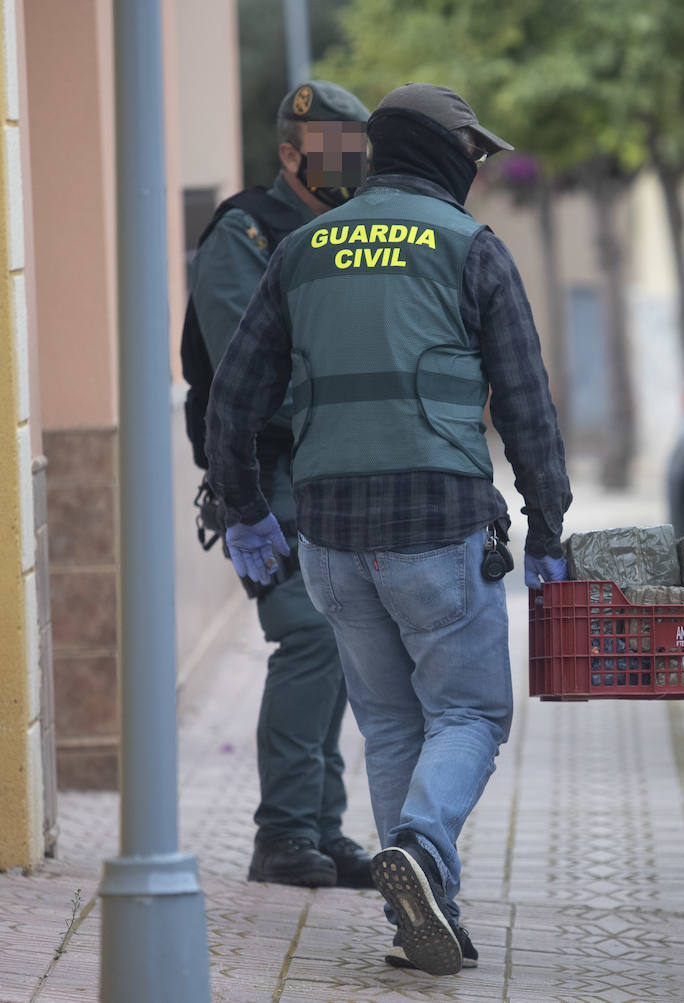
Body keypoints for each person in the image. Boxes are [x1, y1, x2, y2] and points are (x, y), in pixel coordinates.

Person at [205, 82, 572, 977]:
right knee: (473, 713)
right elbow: (525, 405)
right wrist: (550, 527)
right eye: (475, 157)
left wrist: (248, 507)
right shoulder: (469, 248)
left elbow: (232, 400)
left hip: (329, 539)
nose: (481, 173)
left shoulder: (301, 248)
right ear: (447, 157)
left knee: (392, 722)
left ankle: (423, 915)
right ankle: (424, 848)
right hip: (438, 529)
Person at [185, 80, 374, 889]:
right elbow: (245, 365)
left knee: (338, 641)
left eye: (358, 151)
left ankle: (321, 829)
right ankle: (284, 833)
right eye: (336, 151)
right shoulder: (247, 233)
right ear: (291, 154)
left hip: (331, 468)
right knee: (309, 634)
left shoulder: (344, 236)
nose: (350, 165)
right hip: (264, 471)